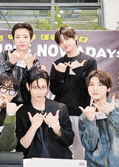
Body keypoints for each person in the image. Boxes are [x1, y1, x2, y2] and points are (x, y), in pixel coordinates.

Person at [50, 26, 97, 159]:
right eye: (60, 41)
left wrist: (79, 72)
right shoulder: (57, 63)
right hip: (60, 114)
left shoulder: (89, 61)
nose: (64, 43)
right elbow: (54, 90)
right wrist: (59, 74)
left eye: (67, 39)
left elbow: (90, 88)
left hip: (80, 113)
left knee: (80, 151)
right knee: (60, 149)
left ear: (75, 37)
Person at [78, 70, 119, 167]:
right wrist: (90, 121)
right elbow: (90, 147)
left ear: (108, 88)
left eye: (100, 85)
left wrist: (112, 114)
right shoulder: (85, 116)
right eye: (91, 85)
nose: (95, 89)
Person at [16, 68, 74, 159]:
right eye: (35, 87)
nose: (39, 92)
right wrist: (33, 127)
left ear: (47, 87)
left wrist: (56, 128)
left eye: (43, 87)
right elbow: (21, 148)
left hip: (59, 161)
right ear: (28, 86)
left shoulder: (60, 108)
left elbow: (69, 140)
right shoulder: (21, 112)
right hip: (33, 161)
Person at [0, 22, 42, 105]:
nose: (21, 40)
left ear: (31, 39)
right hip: (2, 103)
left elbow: (37, 87)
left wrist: (31, 67)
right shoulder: (5, 55)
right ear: (13, 39)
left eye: (25, 37)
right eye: (18, 37)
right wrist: (9, 63)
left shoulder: (34, 62)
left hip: (25, 106)